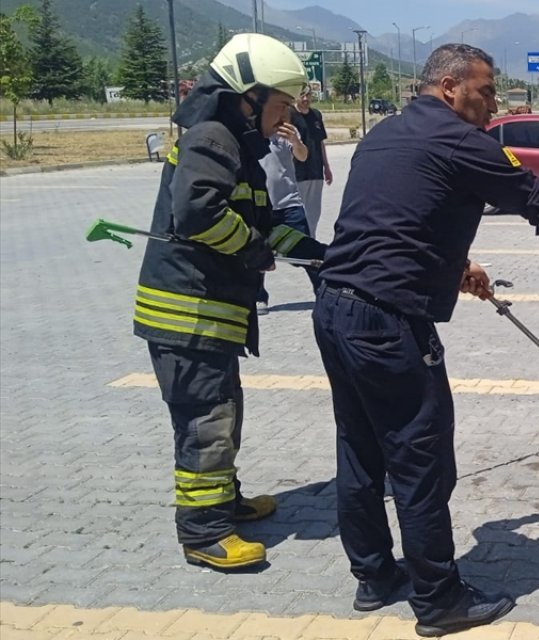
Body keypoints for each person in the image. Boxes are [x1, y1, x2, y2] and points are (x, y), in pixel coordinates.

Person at [312, 43, 539, 637]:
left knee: (361, 451)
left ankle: (375, 577)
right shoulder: (462, 142)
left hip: (336, 311)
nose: (494, 102)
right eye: (487, 90)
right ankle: (440, 600)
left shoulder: (384, 135)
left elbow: (392, 220)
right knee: (419, 460)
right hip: (388, 325)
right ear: (450, 87)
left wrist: (452, 263)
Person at [133, 33, 327, 571]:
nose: (285, 115)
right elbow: (199, 216)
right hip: (187, 316)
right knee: (205, 422)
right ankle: (204, 532)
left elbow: (263, 225)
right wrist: (251, 249)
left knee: (224, 412)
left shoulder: (237, 145)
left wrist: (319, 254)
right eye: (281, 104)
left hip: (210, 316)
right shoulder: (213, 138)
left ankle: (224, 500)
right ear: (248, 96)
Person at [257, 118, 322, 312]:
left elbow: (302, 156)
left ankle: (323, 292)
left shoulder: (286, 130)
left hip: (289, 203)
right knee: (258, 251)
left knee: (308, 250)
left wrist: (296, 142)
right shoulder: (251, 131)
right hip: (260, 204)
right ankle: (259, 296)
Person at [292, 86, 332, 235]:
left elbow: (320, 142)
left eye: (308, 95)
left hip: (316, 172)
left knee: (313, 214)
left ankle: (311, 243)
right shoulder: (290, 114)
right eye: (302, 95)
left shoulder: (316, 115)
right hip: (297, 173)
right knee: (299, 215)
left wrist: (326, 167)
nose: (305, 99)